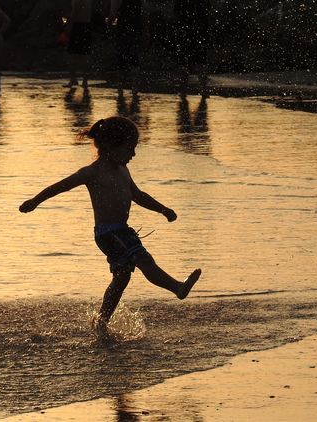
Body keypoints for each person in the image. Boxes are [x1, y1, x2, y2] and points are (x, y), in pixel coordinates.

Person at [19, 116, 202, 338]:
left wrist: (162, 209)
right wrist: (35, 201)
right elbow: (61, 186)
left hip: (121, 231)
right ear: (110, 146)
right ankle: (177, 288)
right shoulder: (92, 172)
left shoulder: (123, 170)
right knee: (143, 259)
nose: (133, 154)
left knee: (122, 277)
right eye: (130, 148)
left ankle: (101, 322)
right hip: (109, 232)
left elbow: (138, 195)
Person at [109, 0, 147, 92]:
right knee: (134, 57)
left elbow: (113, 12)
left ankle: (121, 86)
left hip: (123, 28)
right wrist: (146, 30)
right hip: (135, 28)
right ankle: (134, 85)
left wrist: (109, 24)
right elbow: (144, 13)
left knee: (121, 57)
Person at [173, 0, 211, 92]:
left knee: (184, 61)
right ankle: (203, 88)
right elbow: (208, 9)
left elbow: (176, 13)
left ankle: (184, 88)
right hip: (198, 30)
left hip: (187, 30)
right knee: (200, 60)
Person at [64, 0, 94, 88]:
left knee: (70, 54)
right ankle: (85, 80)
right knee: (86, 54)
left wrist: (68, 25)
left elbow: (75, 11)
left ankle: (74, 79)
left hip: (78, 26)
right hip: (87, 25)